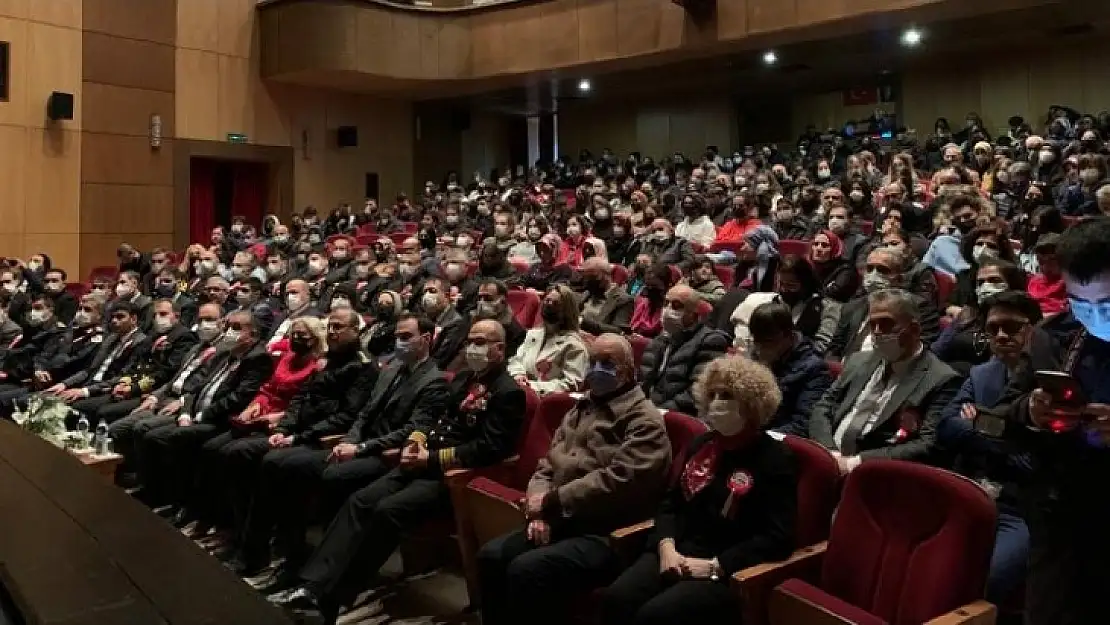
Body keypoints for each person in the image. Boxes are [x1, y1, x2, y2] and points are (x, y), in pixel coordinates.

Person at [270, 320, 527, 624]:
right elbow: (436, 420)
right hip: (421, 460)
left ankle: (334, 595)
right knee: (360, 501)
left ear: (500, 349)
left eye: (481, 342)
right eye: (471, 341)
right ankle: (313, 583)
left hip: (451, 475)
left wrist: (429, 458)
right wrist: (416, 442)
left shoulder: (509, 392)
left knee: (387, 510)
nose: (473, 347)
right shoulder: (464, 379)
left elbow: (487, 448)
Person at [478, 334, 672, 625]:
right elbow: (547, 464)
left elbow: (618, 481)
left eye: (606, 363)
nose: (596, 369)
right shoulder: (582, 407)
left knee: (528, 569)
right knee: (490, 557)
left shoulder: (644, 420)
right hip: (559, 519)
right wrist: (538, 510)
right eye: (592, 362)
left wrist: (553, 501)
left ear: (629, 370)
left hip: (606, 531)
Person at [236, 314, 449, 579]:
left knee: (323, 475)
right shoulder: (391, 370)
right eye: (396, 336)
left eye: (405, 337)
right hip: (354, 444)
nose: (398, 342)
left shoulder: (434, 380)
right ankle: (281, 553)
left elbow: (410, 430)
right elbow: (364, 414)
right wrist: (350, 440)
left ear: (426, 340)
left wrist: (359, 448)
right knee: (275, 463)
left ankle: (317, 569)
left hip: (383, 454)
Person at [600, 354, 795, 624]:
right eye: (712, 394)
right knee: (617, 598)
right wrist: (665, 546)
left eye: (727, 395)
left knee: (654, 616)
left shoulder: (774, 459)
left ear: (751, 403)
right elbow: (670, 504)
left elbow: (776, 536)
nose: (716, 403)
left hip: (725, 568)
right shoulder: (702, 444)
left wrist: (717, 566)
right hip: (675, 550)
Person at [983, 217, 1110, 625]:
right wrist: (1032, 410)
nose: (1095, 318)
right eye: (1081, 303)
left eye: (1108, 305)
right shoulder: (1053, 336)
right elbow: (1001, 417)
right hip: (1061, 520)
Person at [937, 290, 1040, 608]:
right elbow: (946, 427)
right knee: (931, 570)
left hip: (1018, 506)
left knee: (985, 581)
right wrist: (1004, 436)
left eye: (1012, 326)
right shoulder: (981, 374)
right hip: (967, 489)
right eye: (993, 328)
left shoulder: (1050, 385)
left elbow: (1032, 465)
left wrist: (978, 424)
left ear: (1035, 330)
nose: (1001, 335)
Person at [136, 310, 275, 526]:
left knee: (179, 438)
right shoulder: (223, 353)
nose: (229, 332)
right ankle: (165, 498)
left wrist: (201, 415)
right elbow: (195, 389)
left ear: (253, 333)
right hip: (196, 415)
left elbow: (238, 399)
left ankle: (187, 506)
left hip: (221, 421)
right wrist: (185, 413)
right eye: (228, 326)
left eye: (237, 328)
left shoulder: (258, 358)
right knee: (153, 436)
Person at [191, 316, 327, 537]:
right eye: (293, 333)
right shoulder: (286, 358)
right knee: (212, 448)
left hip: (283, 423)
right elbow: (267, 389)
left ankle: (240, 530)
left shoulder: (318, 366)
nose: (295, 339)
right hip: (260, 416)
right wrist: (254, 406)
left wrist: (276, 416)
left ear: (315, 339)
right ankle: (216, 519)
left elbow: (304, 404)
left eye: (302, 335)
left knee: (233, 454)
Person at [809, 289, 961, 473]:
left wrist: (854, 463)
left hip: (877, 475)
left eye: (887, 324)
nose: (878, 332)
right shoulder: (858, 361)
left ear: (914, 329)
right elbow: (823, 407)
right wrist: (830, 452)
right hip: (829, 460)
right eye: (873, 325)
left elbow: (927, 445)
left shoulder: (942, 379)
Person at [109, 302, 224, 487]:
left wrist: (182, 401)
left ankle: (149, 486)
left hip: (185, 404)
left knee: (144, 428)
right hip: (166, 397)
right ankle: (120, 476)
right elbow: (174, 379)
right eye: (201, 320)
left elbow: (201, 386)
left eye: (210, 320)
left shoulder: (224, 351)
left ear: (222, 323)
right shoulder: (197, 347)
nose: (204, 324)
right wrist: (155, 396)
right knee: (117, 428)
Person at [64, 298, 197, 427]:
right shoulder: (153, 336)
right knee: (80, 406)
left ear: (177, 316)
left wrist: (132, 389)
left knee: (102, 411)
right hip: (132, 385)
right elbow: (136, 366)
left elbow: (166, 372)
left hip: (149, 391)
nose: (157, 318)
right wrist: (124, 383)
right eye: (155, 314)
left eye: (163, 314)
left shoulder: (184, 336)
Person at [827, 247, 941, 361]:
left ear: (899, 279)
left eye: (883, 270)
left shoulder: (920, 308)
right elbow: (834, 348)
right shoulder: (852, 306)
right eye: (870, 269)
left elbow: (919, 353)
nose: (873, 276)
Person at [640, 285, 730, 417]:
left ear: (693, 315)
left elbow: (697, 392)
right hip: (648, 411)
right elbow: (642, 381)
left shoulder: (710, 341)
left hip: (676, 416)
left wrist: (658, 413)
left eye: (677, 306)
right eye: (666, 303)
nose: (667, 310)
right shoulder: (660, 339)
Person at [748, 301, 834, 435]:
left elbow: (803, 425)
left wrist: (758, 438)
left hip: (776, 441)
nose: (759, 349)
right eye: (756, 341)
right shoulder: (756, 356)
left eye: (767, 342)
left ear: (788, 335)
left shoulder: (814, 369)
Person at [933, 258, 1027, 375]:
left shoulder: (1021, 318)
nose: (986, 286)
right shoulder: (967, 315)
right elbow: (937, 352)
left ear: (1012, 285)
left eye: (994, 280)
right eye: (980, 283)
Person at [508, 285, 589, 396]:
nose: (549, 305)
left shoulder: (574, 346)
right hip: (521, 393)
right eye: (547, 301)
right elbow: (516, 360)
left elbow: (571, 384)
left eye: (555, 303)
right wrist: (518, 375)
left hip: (545, 399)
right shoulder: (533, 334)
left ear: (567, 310)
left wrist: (531, 386)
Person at [774, 254, 841, 352]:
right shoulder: (776, 302)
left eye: (791, 285)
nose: (784, 290)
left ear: (806, 284)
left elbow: (821, 345)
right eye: (781, 284)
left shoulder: (826, 307)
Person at [578, 257, 634, 335]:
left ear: (605, 276)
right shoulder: (588, 293)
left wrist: (582, 322)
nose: (586, 281)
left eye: (590, 277)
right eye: (584, 277)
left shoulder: (623, 300)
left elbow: (618, 331)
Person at [473, 278, 527, 359]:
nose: (481, 302)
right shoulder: (471, 319)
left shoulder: (516, 332)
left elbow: (508, 362)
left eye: (488, 298)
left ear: (502, 301)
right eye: (480, 297)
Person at [808, 229, 859, 302]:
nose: (818, 248)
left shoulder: (846, 269)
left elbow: (834, 293)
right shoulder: (807, 265)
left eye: (824, 245)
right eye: (816, 244)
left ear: (834, 249)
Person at [1025, 233, 1067, 316]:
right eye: (1041, 261)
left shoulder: (1072, 285)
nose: (1045, 266)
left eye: (1052, 260)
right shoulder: (1033, 283)